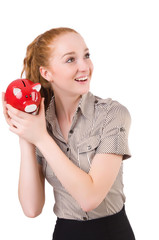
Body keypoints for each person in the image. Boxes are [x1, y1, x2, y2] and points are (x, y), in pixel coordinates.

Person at [2, 27, 135, 240]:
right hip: (65, 233)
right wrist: (25, 135)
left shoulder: (112, 114)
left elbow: (90, 198)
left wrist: (41, 138)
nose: (85, 67)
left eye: (86, 56)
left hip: (112, 233)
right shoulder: (41, 123)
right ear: (46, 73)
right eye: (70, 60)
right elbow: (31, 208)